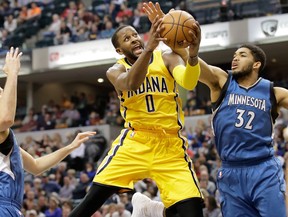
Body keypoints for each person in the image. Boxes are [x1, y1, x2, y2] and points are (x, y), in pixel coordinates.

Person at [131, 2, 288, 217]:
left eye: (242, 55)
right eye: (234, 54)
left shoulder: (273, 92)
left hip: (264, 169)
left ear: (256, 64)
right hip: (231, 170)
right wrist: (167, 27)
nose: (235, 57)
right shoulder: (221, 81)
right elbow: (188, 57)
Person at [69, 11, 204, 217]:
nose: (133, 39)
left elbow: (189, 81)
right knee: (90, 202)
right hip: (135, 141)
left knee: (192, 212)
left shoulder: (167, 57)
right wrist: (149, 49)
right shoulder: (115, 70)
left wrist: (192, 56)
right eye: (127, 39)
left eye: (134, 35)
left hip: (170, 146)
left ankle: (156, 212)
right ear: (119, 49)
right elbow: (130, 83)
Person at [0, 47, 96, 216]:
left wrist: (70, 147)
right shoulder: (2, 128)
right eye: (1, 93)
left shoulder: (5, 139)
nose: (4, 93)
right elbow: (7, 118)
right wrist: (13, 73)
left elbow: (36, 167)